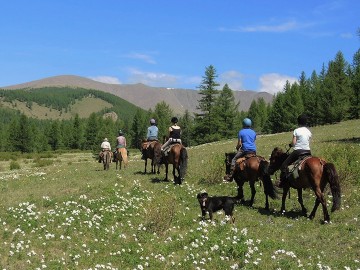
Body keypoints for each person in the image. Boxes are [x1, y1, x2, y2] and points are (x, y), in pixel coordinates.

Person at [277, 114, 312, 187]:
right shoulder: (308, 131)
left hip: (298, 152)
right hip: (308, 152)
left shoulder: (296, 130)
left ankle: (282, 182)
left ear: (298, 122)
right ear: (306, 122)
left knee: (284, 165)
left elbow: (293, 143)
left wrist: (290, 145)